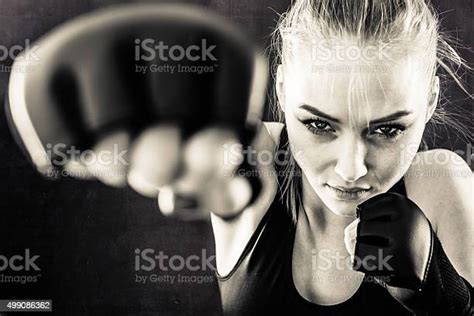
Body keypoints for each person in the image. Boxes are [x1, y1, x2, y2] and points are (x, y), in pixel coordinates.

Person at [6, 1, 472, 315]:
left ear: (430, 102)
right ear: (283, 89)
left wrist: (442, 290)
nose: (351, 168)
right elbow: (214, 167)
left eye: (388, 129)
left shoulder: (441, 182)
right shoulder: (255, 161)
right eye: (318, 125)